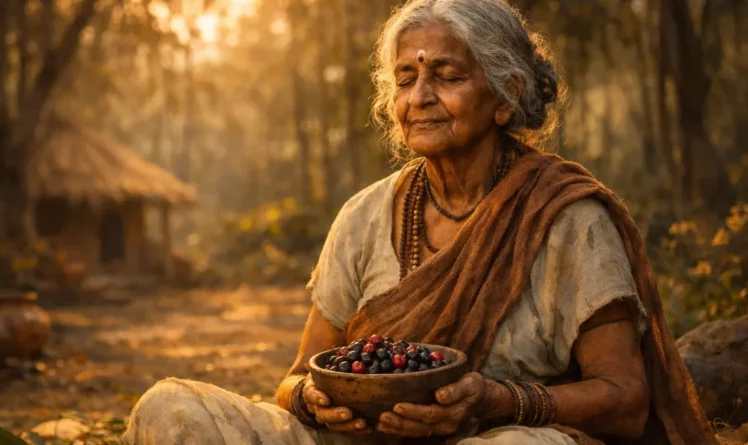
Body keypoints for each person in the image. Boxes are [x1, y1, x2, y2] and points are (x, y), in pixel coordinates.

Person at [123, 0, 718, 444]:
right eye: (406, 79)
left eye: (448, 76)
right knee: (170, 409)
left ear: (505, 95)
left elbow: (625, 399)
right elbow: (298, 376)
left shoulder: (567, 218)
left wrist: (497, 402)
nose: (420, 96)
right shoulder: (364, 215)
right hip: (359, 441)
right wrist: (311, 399)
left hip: (496, 437)